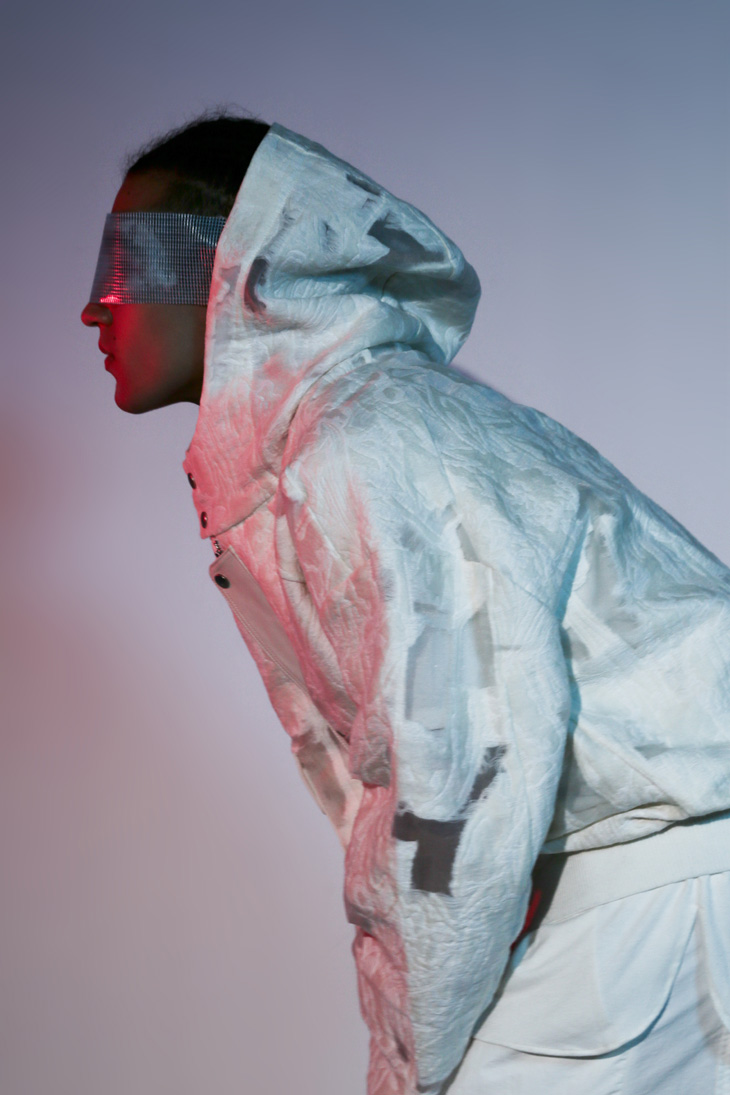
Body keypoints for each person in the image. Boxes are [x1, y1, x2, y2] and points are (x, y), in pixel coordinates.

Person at [81, 112, 730, 1095]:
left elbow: (454, 769)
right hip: (653, 883)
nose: (96, 307)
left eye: (131, 265)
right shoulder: (340, 443)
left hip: (673, 894)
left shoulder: (374, 442)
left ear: (233, 272)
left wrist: (403, 1059)